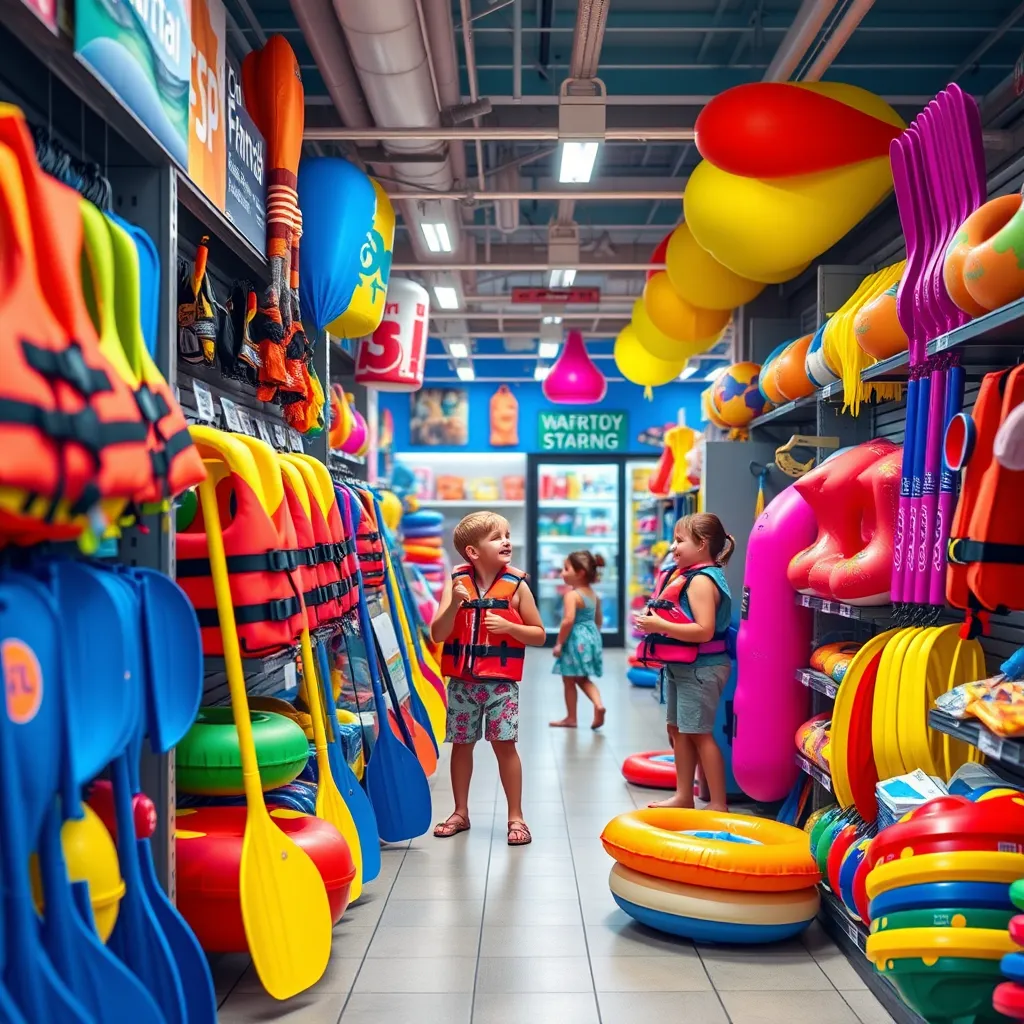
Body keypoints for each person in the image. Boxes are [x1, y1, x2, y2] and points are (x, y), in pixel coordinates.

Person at [430, 511, 546, 846]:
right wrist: (454, 605)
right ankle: (460, 812)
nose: (506, 541)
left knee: (505, 746)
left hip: (501, 685)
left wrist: (510, 628)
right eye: (496, 537)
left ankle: (516, 816)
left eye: (507, 534)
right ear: (473, 552)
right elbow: (438, 634)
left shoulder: (518, 587)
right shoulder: (455, 585)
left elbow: (538, 635)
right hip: (463, 684)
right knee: (461, 747)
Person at [633, 513, 734, 812]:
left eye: (680, 541)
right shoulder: (687, 575)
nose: (673, 547)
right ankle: (683, 796)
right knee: (678, 731)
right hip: (683, 666)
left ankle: (718, 804)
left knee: (700, 735)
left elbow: (703, 630)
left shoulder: (702, 581)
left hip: (702, 667)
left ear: (702, 544)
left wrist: (657, 626)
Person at [549, 550, 606, 730]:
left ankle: (571, 717)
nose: (562, 573)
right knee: (583, 678)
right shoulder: (593, 595)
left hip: (575, 639)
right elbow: (599, 620)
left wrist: (559, 642)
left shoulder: (572, 595)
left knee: (568, 679)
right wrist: (593, 636)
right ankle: (598, 704)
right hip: (591, 637)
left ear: (580, 573)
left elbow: (568, 620)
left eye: (566, 569)